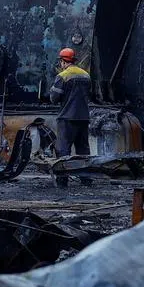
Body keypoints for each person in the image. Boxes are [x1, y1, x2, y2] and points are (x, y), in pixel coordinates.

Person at [50, 47, 92, 188]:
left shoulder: (63, 76)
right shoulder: (86, 75)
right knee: (83, 150)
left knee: (63, 150)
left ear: (63, 61)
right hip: (84, 117)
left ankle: (63, 181)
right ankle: (86, 179)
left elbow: (54, 98)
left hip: (67, 118)